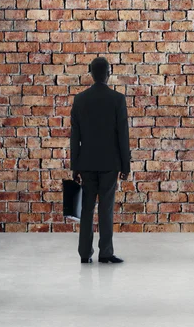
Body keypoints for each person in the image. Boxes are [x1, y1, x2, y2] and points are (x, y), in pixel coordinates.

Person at [70, 56, 130, 264]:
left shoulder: (80, 100)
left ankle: (85, 254)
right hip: (109, 164)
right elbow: (123, 135)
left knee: (86, 209)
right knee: (106, 208)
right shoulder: (117, 99)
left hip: (86, 163)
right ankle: (105, 252)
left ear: (91, 73)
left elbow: (75, 137)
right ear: (108, 73)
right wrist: (125, 165)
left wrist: (74, 166)